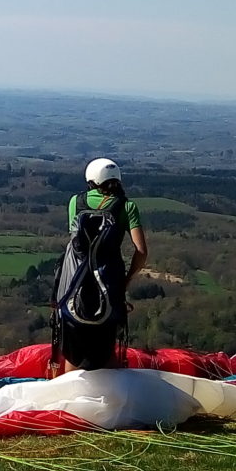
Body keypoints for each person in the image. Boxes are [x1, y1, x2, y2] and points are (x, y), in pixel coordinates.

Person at [55, 157, 148, 372]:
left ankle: (69, 401)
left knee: (73, 355)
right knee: (107, 354)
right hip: (109, 285)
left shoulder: (75, 202)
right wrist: (125, 281)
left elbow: (75, 242)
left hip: (74, 287)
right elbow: (141, 252)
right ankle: (110, 401)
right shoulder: (127, 206)